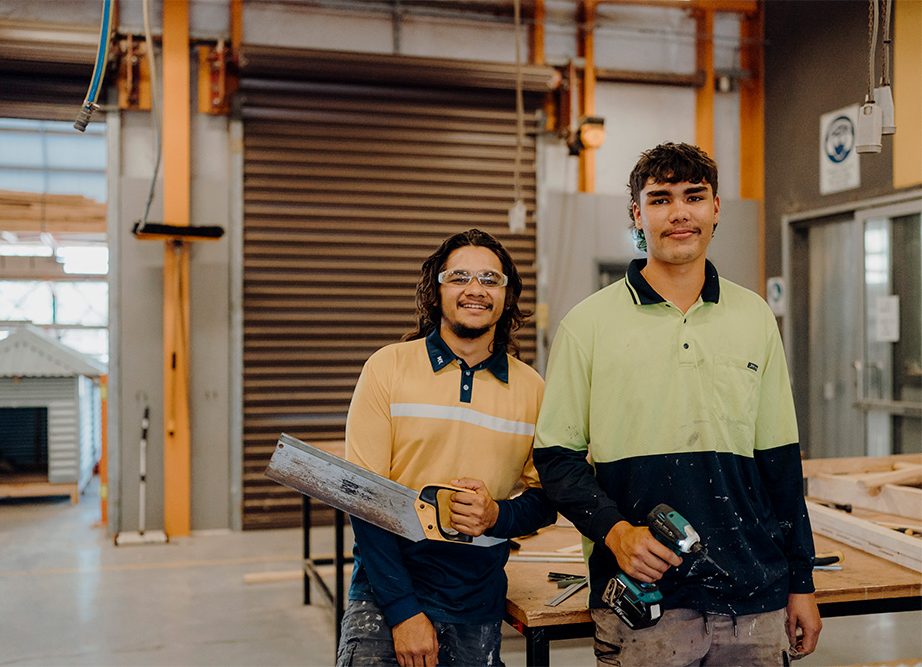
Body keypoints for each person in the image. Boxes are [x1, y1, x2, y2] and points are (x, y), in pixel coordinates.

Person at [532, 142, 822, 666]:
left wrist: (800, 581)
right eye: (661, 199)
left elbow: (780, 464)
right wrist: (616, 534)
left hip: (752, 599)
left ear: (715, 209)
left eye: (694, 196)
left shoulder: (754, 317)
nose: (679, 212)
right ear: (637, 214)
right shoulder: (587, 325)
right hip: (644, 607)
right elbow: (556, 459)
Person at [338, 228, 556, 667]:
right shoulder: (388, 368)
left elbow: (546, 500)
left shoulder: (532, 388)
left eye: (490, 280)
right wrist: (404, 613)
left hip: (476, 601)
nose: (475, 289)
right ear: (435, 292)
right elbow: (362, 498)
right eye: (459, 277)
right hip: (385, 595)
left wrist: (497, 514)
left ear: (507, 296)